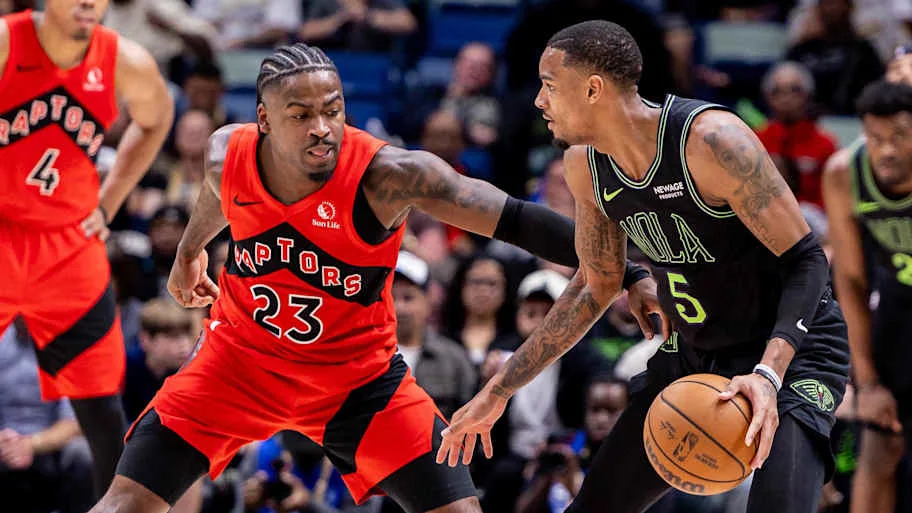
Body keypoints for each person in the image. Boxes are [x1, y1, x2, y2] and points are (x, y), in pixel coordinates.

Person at [87, 42, 664, 513]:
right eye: (301, 115)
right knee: (125, 503)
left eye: (333, 110)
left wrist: (629, 267)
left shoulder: (389, 176)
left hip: (358, 384)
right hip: (235, 367)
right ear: (262, 119)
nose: (322, 128)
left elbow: (514, 217)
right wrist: (191, 251)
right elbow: (219, 191)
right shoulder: (225, 152)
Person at [439, 20, 850, 513]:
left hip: (791, 351)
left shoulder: (711, 141)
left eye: (549, 86)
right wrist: (500, 390)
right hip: (695, 353)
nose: (538, 101)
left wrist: (768, 373)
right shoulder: (585, 165)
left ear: (593, 89)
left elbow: (807, 260)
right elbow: (595, 285)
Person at [0, 0, 173, 499]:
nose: (88, 2)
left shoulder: (125, 61)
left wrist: (111, 197)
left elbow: (157, 119)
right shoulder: (7, 43)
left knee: (103, 415)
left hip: (68, 246)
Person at [822, 79, 912, 513]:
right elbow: (852, 280)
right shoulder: (844, 173)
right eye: (876, 138)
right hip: (897, 311)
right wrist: (868, 380)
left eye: (900, 136)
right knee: (879, 448)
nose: (887, 150)